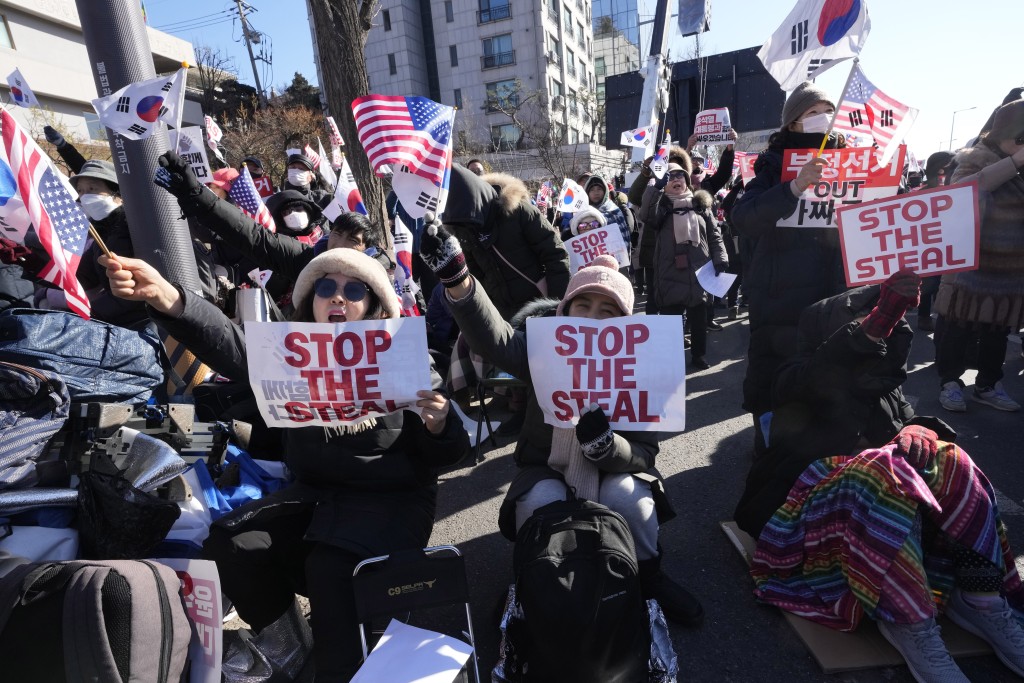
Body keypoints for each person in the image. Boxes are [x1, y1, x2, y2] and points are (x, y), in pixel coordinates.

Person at [99, 246, 469, 682]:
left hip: (393, 500)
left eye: (354, 289)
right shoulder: (291, 356)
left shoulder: (405, 359)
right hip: (315, 497)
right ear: (309, 298)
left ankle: (343, 671)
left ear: (373, 302)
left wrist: (439, 425)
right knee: (229, 541)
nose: (337, 297)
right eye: (325, 287)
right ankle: (290, 645)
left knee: (330, 569)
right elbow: (234, 347)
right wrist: (170, 299)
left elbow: (448, 456)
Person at [734, 270, 1024, 683]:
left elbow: (908, 424)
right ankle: (908, 622)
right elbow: (809, 379)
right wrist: (870, 328)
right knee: (883, 471)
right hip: (802, 521)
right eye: (873, 332)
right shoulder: (794, 376)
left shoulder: (884, 388)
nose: (883, 343)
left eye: (889, 332)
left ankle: (981, 599)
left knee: (952, 458)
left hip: (878, 521)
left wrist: (920, 428)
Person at [419, 224, 704, 627]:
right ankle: (531, 581)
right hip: (545, 465)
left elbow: (645, 453)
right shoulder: (541, 349)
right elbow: (494, 338)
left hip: (616, 469)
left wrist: (609, 448)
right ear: (563, 311)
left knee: (628, 498)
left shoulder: (644, 367)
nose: (591, 318)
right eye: (582, 305)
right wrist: (459, 281)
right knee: (538, 503)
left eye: (607, 311)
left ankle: (649, 578)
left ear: (625, 324)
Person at [730, 81, 848, 453]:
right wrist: (794, 187)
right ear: (793, 123)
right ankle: (770, 460)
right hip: (779, 298)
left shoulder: (854, 164)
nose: (823, 118)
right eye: (813, 112)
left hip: (833, 297)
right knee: (774, 381)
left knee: (826, 382)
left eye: (828, 110)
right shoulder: (770, 166)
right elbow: (744, 218)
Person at [933, 98, 1024, 414]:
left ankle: (987, 384)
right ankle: (950, 383)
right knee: (958, 329)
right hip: (970, 269)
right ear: (1005, 136)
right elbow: (962, 194)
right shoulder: (975, 160)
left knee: (996, 334)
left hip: (1008, 272)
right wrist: (1013, 164)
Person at [639, 162, 728, 371]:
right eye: (670, 177)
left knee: (699, 319)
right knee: (672, 321)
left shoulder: (700, 205)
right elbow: (646, 214)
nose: (676, 180)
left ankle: (699, 356)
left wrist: (720, 258)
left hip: (698, 271)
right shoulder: (661, 206)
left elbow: (715, 234)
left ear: (687, 181)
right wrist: (654, 188)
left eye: (680, 176)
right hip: (670, 271)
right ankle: (672, 359)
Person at [916, 151, 956, 332]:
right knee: (928, 284)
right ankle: (925, 316)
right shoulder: (920, 192)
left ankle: (940, 318)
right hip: (927, 246)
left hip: (948, 246)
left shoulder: (957, 189)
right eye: (950, 167)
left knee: (942, 285)